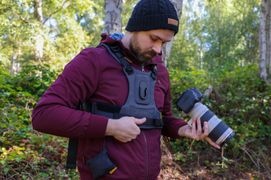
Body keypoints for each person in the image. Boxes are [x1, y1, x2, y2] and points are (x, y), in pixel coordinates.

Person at [32, 0, 219, 179]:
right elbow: (44, 115)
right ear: (135, 27)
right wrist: (110, 127)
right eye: (154, 38)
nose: (158, 49)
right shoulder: (94, 60)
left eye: (164, 43)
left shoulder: (160, 71)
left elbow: (164, 119)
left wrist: (184, 130)